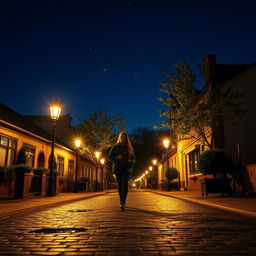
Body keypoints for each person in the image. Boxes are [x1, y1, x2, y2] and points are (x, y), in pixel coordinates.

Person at [108, 132, 135, 210]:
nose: (123, 138)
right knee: (120, 185)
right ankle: (121, 199)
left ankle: (123, 202)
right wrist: (116, 157)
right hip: (118, 168)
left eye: (124, 137)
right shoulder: (115, 147)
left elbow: (134, 159)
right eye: (122, 137)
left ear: (126, 138)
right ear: (120, 138)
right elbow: (109, 157)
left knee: (125, 184)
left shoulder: (130, 148)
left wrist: (131, 161)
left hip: (127, 169)